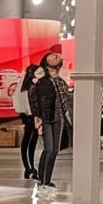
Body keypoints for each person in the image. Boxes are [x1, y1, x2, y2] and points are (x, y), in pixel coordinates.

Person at [32, 50, 72, 189]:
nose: (55, 56)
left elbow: (67, 99)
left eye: (58, 56)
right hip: (46, 118)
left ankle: (46, 179)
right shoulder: (41, 79)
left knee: (54, 150)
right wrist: (38, 116)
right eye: (53, 55)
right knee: (49, 148)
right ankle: (42, 179)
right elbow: (35, 98)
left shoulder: (60, 81)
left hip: (59, 117)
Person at [14, 64, 41, 179]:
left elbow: (18, 101)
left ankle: (28, 167)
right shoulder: (33, 86)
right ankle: (30, 167)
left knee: (27, 141)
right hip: (32, 115)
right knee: (31, 141)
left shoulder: (23, 86)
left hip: (26, 115)